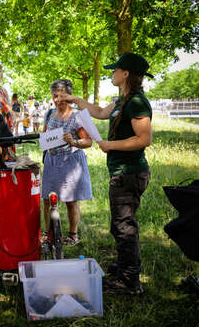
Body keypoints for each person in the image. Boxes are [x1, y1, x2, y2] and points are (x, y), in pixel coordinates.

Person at [60, 52, 153, 294]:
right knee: (119, 225)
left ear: (126, 74)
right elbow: (100, 112)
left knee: (124, 226)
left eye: (115, 70)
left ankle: (130, 281)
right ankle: (124, 267)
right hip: (120, 171)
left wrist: (110, 145)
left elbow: (144, 139)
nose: (111, 73)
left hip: (129, 172)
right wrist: (77, 100)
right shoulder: (121, 100)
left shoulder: (136, 102)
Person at [42, 79, 93, 247]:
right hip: (52, 160)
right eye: (54, 96)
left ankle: (73, 234)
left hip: (70, 161)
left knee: (71, 200)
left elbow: (88, 142)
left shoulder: (77, 116)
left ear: (69, 96)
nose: (57, 100)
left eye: (61, 96)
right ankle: (48, 234)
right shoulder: (49, 114)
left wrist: (74, 142)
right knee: (47, 199)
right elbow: (44, 136)